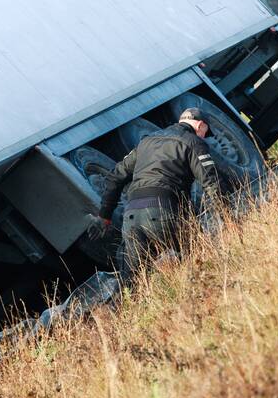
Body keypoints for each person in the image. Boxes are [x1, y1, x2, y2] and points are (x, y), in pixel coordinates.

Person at [86, 108, 223, 277]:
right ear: (201, 126)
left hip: (132, 218)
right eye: (205, 133)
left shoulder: (146, 141)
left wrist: (104, 216)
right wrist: (222, 216)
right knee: (202, 259)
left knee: (133, 280)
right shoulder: (193, 142)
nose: (204, 137)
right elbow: (211, 183)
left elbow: (115, 177)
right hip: (165, 213)